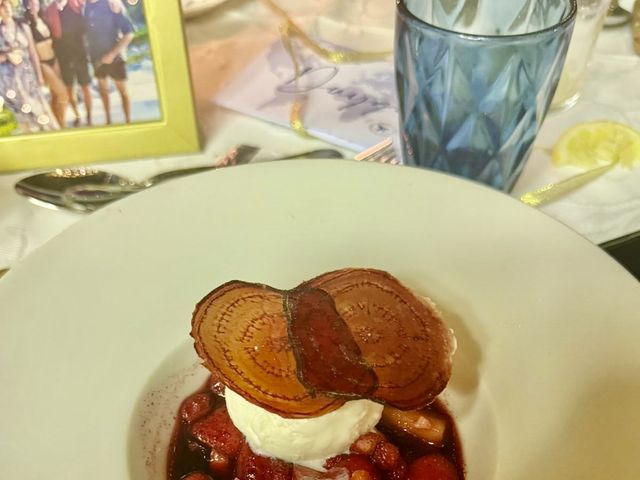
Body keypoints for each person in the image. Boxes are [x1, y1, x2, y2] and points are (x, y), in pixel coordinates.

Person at [0, 0, 59, 134]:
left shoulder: (22, 26)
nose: (7, 9)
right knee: (20, 111)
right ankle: (28, 136)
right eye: (3, 7)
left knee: (37, 105)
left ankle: (50, 132)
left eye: (9, 7)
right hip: (8, 80)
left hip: (27, 75)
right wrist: (8, 55)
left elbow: (32, 51)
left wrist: (39, 75)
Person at [84, 0, 133, 124]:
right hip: (97, 59)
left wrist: (112, 54)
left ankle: (128, 122)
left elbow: (129, 34)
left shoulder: (113, 4)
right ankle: (108, 122)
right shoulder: (86, 7)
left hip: (116, 58)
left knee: (122, 90)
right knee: (103, 91)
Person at [46, 0, 93, 126]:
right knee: (69, 89)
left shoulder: (76, 3)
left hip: (80, 54)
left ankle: (89, 117)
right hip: (63, 57)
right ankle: (77, 114)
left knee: (85, 87)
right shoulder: (50, 10)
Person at [22, 0, 68, 128]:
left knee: (55, 96)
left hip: (54, 59)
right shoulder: (26, 24)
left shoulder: (43, 18)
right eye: (30, 3)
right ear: (26, 5)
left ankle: (57, 124)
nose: (34, 5)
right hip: (42, 63)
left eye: (35, 3)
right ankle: (62, 125)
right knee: (63, 94)